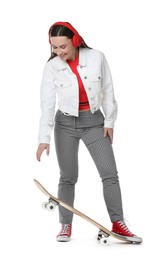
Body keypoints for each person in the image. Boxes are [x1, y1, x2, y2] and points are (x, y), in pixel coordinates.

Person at [36, 21, 142, 243]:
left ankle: (118, 222)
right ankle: (65, 225)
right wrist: (43, 138)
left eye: (63, 47)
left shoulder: (96, 57)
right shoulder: (51, 67)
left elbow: (108, 89)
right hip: (64, 124)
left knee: (109, 174)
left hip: (94, 122)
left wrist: (109, 122)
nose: (59, 52)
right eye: (54, 47)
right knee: (68, 177)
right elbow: (47, 103)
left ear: (75, 41)